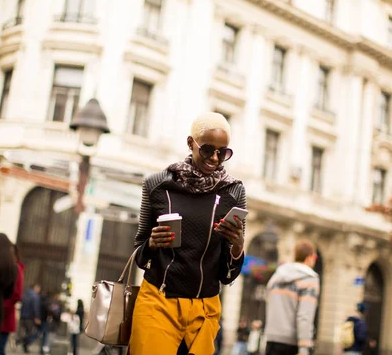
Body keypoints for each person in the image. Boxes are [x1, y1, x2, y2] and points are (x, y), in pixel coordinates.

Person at [130, 112, 247, 355]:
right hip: (158, 304)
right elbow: (140, 256)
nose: (214, 158)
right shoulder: (157, 185)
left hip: (204, 311)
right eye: (207, 150)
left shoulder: (233, 192)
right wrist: (151, 243)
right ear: (190, 143)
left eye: (223, 152)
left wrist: (237, 247)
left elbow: (227, 276)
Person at [264, 239, 320, 355]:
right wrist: (305, 347)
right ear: (309, 257)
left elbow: (268, 298)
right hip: (292, 342)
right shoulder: (309, 279)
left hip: (271, 338)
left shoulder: (277, 276)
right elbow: (304, 315)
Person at [0, 244, 25, 355]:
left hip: (4, 315)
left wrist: (3, 307)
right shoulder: (3, 268)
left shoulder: (16, 269)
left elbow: (17, 294)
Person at [19, 284, 41, 353]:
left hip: (23, 316)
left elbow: (22, 305)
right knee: (32, 333)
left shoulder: (25, 295)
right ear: (36, 288)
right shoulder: (35, 296)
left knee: (26, 332)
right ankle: (20, 341)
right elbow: (35, 307)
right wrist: (37, 317)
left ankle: (24, 346)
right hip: (30, 317)